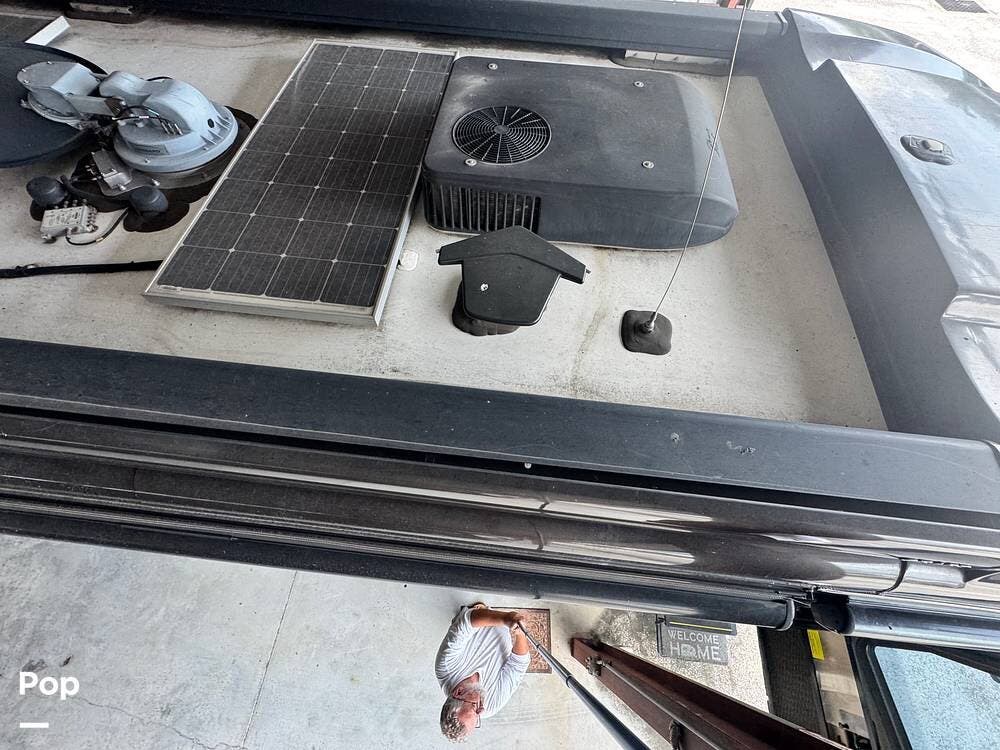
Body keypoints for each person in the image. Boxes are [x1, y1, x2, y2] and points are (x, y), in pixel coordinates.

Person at [435, 603, 530, 742]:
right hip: (511, 624)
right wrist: (520, 633)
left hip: (488, 609)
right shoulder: (490, 707)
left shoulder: (446, 667)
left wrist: (506, 618)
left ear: (458, 692)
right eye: (478, 719)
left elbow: (466, 622)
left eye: (474, 708)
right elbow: (519, 666)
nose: (481, 710)